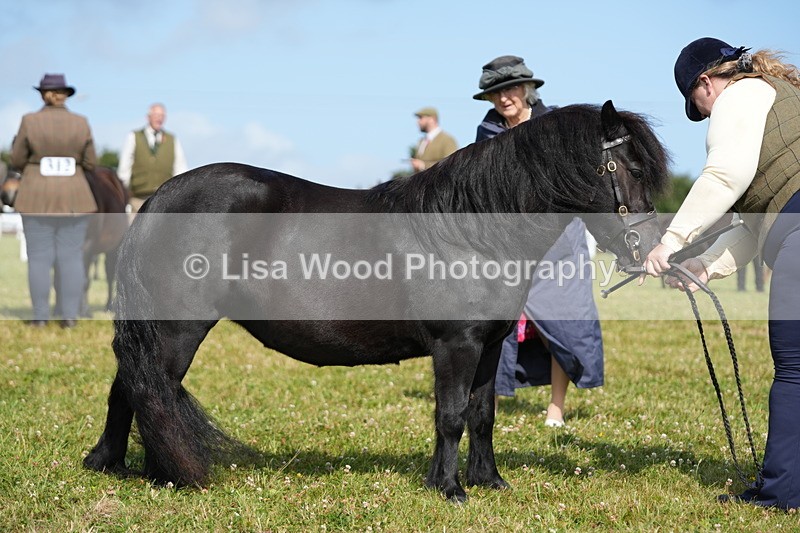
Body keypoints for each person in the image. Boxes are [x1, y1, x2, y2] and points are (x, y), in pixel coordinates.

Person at [645, 37, 800, 510]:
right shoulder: (775, 95)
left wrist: (670, 241)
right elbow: (753, 227)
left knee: (795, 369)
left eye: (699, 105)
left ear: (706, 83)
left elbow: (724, 175)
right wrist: (703, 266)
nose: (706, 116)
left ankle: (782, 494)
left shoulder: (742, 95)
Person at [473, 55, 604, 427]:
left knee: (560, 324)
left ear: (527, 89)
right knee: (500, 328)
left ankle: (556, 408)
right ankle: (490, 406)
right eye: (495, 92)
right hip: (509, 249)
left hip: (559, 245)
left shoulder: (555, 124)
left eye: (509, 88)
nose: (503, 98)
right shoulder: (487, 133)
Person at [11, 74, 98, 328]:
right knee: (71, 257)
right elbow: (91, 162)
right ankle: (69, 317)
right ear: (65, 95)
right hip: (75, 197)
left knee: (39, 257)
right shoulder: (81, 123)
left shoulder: (29, 121)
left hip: (36, 196)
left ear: (42, 94)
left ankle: (40, 317)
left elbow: (17, 160)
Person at [117, 103, 188, 213]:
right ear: (148, 117)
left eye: (162, 115)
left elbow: (180, 168)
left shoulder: (172, 139)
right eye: (156, 115)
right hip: (138, 200)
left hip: (164, 199)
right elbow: (124, 168)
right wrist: (122, 195)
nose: (159, 118)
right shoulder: (133, 137)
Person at [410, 107, 458, 173]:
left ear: (432, 119)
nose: (418, 121)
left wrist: (423, 165)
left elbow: (451, 165)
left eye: (421, 118)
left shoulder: (447, 140)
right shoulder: (421, 141)